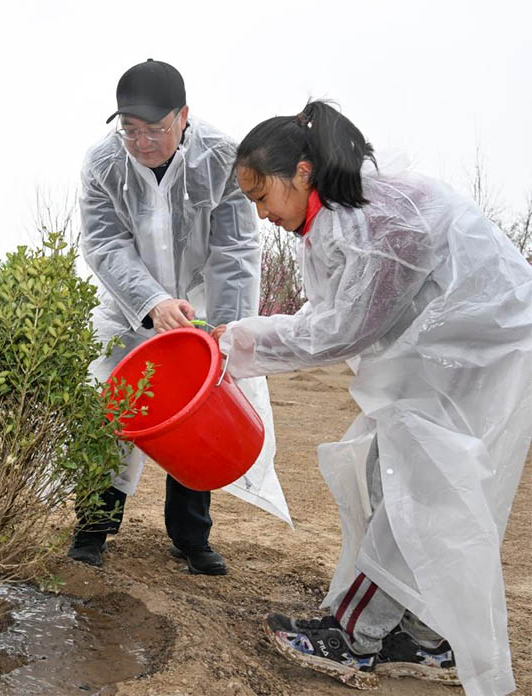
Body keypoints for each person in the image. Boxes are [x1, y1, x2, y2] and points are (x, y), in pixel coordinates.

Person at [212, 100, 532, 693]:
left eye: (261, 196)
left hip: (479, 353)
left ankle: (355, 635)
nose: (260, 214)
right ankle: (428, 638)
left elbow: (339, 330)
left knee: (415, 489)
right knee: (407, 480)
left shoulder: (374, 220)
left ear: (301, 172)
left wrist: (235, 342)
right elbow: (332, 315)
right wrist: (238, 339)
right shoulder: (338, 219)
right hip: (456, 352)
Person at [70, 59, 290, 576]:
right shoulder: (103, 163)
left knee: (199, 411)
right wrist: (151, 301)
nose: (142, 142)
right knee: (111, 406)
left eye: (155, 129)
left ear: (183, 116)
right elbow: (104, 243)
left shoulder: (220, 156)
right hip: (129, 310)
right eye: (130, 130)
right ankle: (93, 528)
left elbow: (235, 250)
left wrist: (226, 330)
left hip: (201, 306)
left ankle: (191, 536)